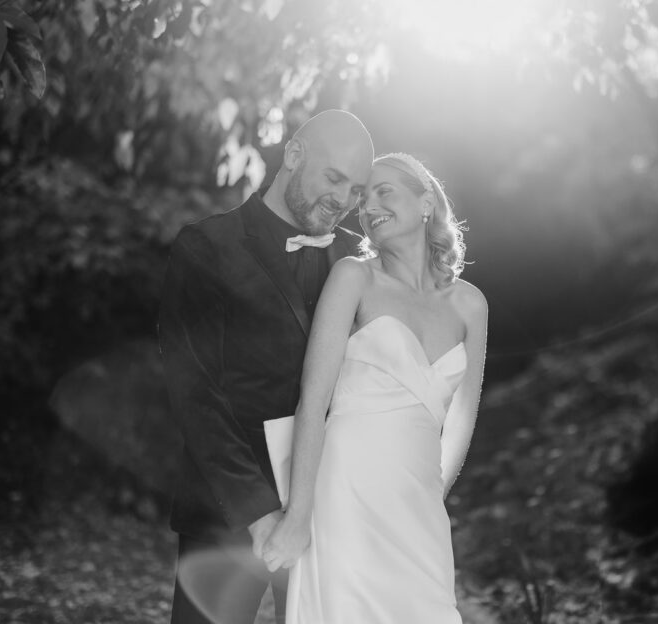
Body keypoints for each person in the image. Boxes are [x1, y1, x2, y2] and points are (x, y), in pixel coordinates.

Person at [158, 109, 374, 624]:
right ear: (294, 155)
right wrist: (260, 516)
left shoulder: (361, 265)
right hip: (226, 516)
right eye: (334, 178)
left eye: (357, 191)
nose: (343, 201)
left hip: (328, 511)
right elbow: (194, 392)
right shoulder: (206, 247)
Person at [261, 153, 488, 623]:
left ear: (426, 202)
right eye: (363, 198)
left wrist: (431, 493)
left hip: (419, 501)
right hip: (344, 490)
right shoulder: (353, 276)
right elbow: (314, 400)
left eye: (385, 191)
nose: (368, 206)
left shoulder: (471, 305)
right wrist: (299, 513)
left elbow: (462, 417)